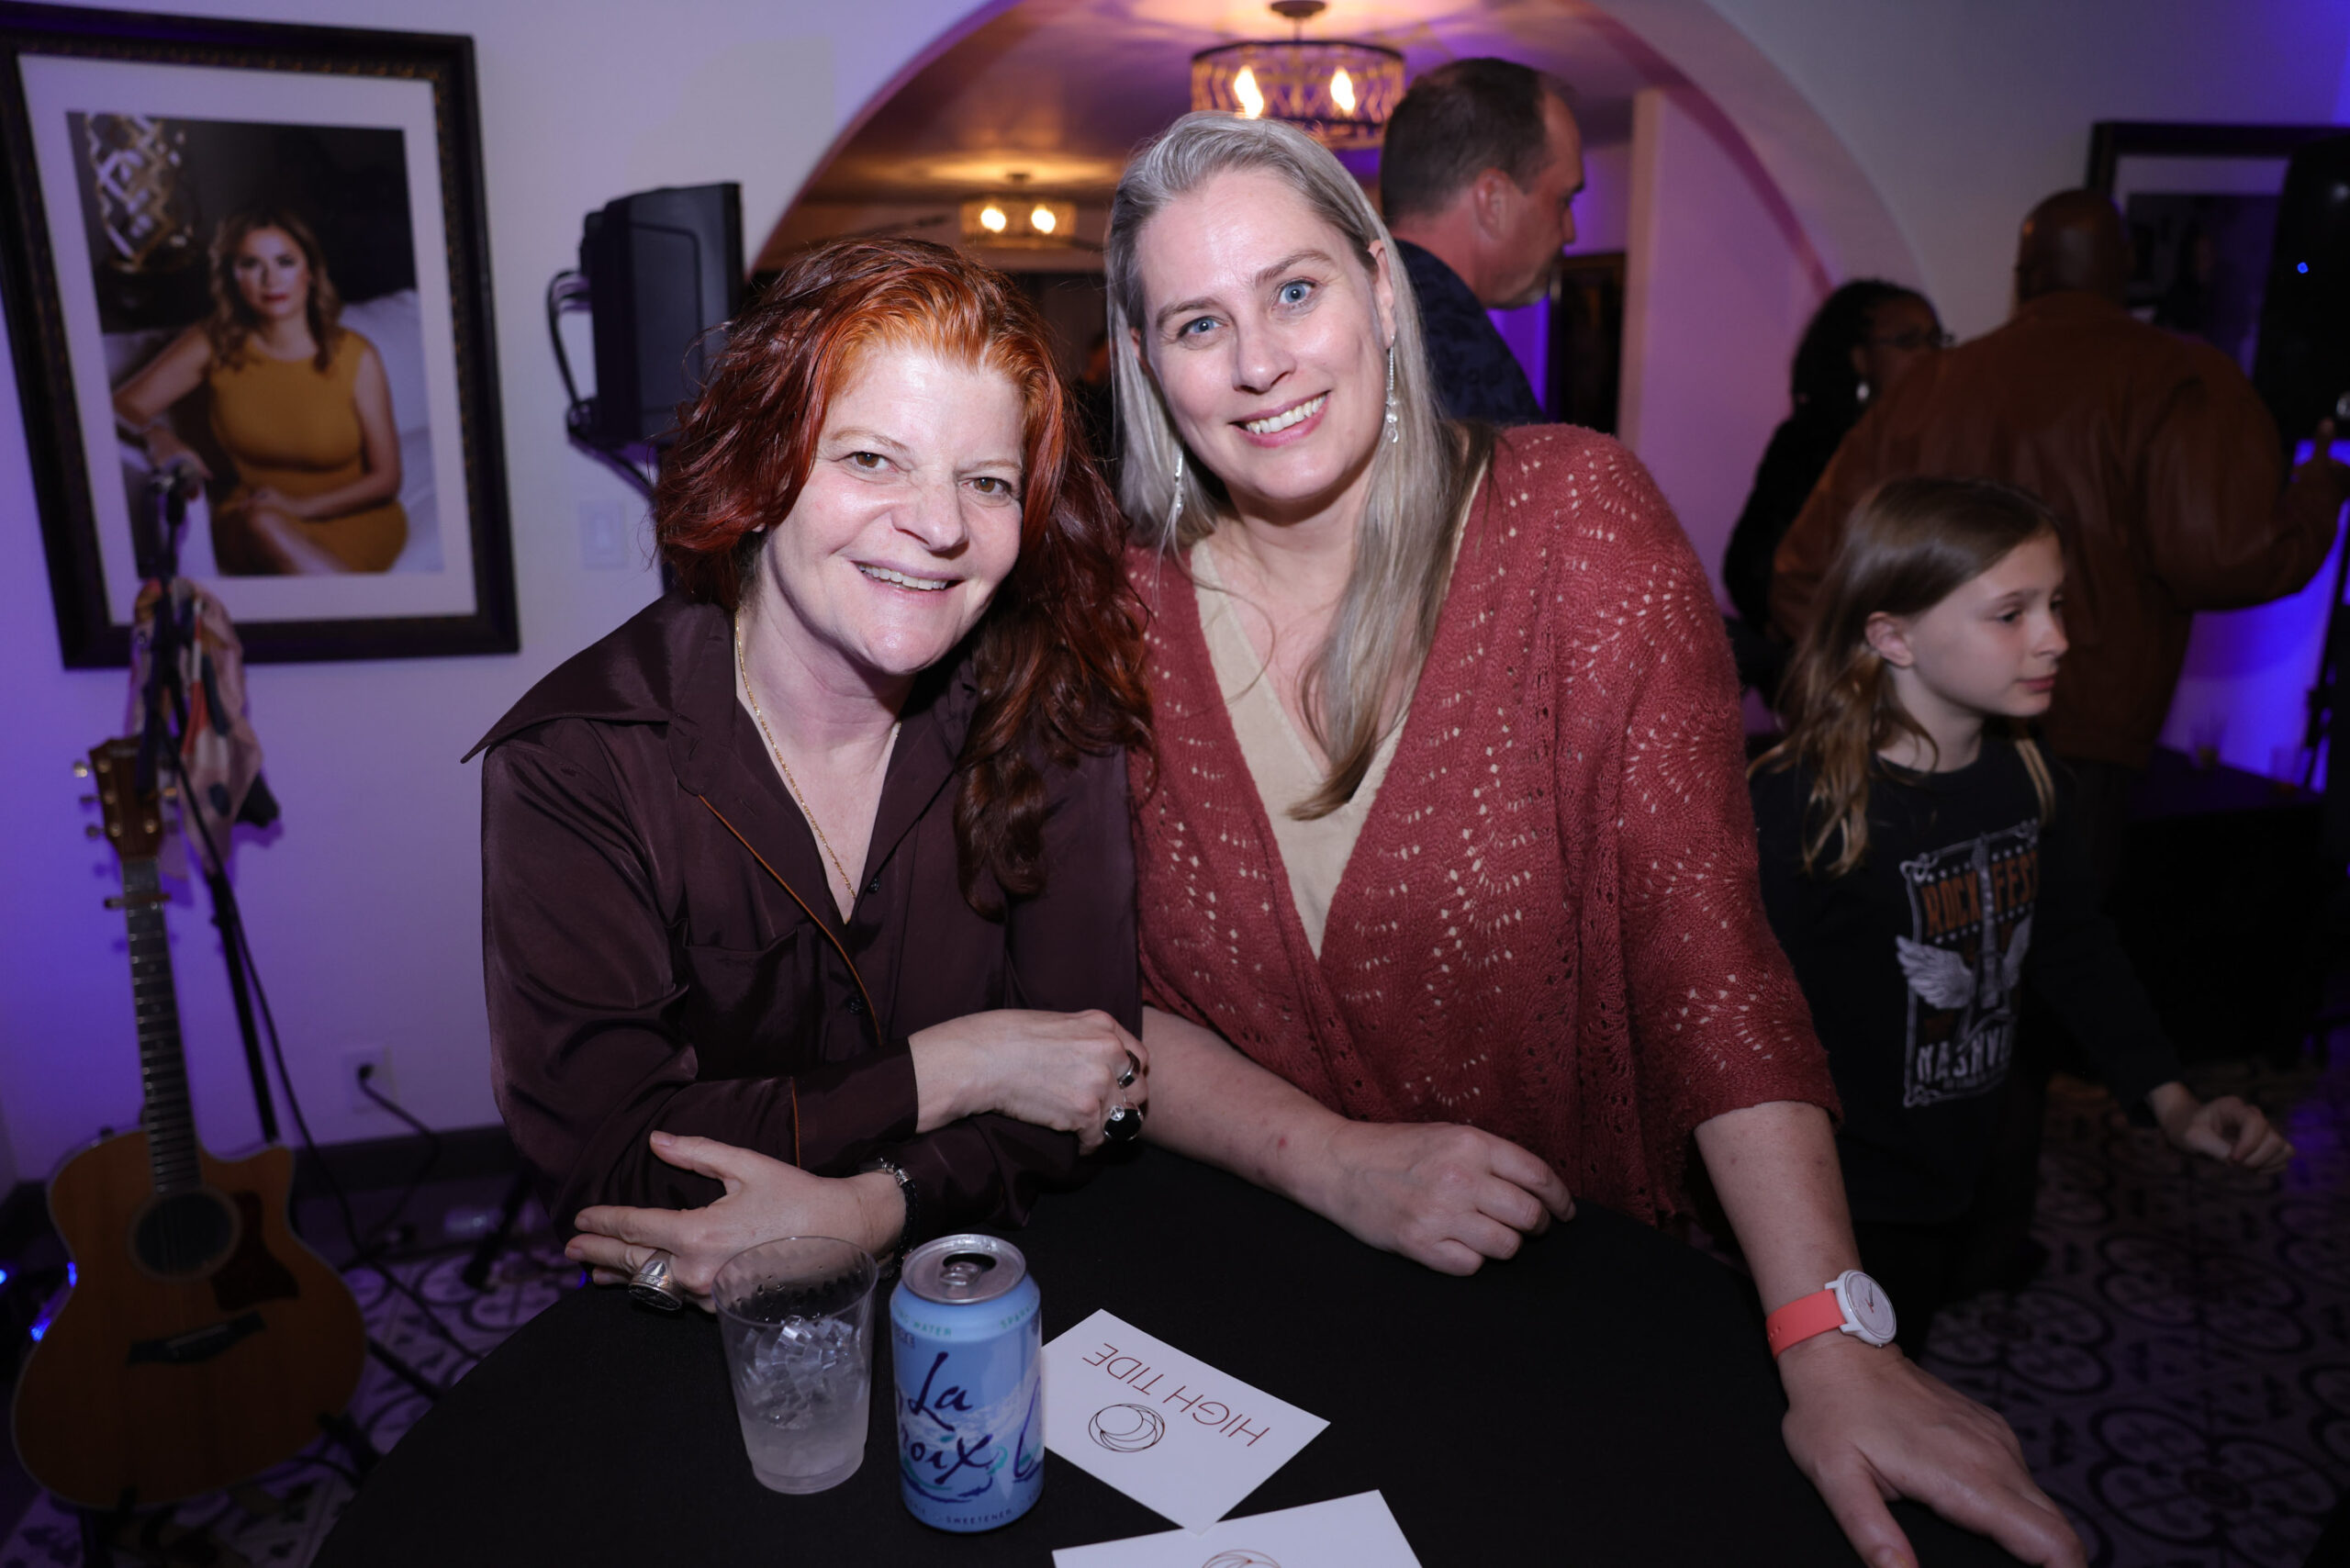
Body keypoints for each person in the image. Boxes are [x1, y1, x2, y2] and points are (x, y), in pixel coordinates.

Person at [1106, 111, 2084, 1568]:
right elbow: (1094, 993)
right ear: (1143, 362)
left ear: (1381, 288)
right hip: (1246, 1294)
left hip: (1546, 1303)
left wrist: (1828, 1329)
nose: (1259, 361)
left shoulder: (1575, 523)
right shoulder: (1113, 613)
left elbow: (1708, 958)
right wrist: (1331, 1162)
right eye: (1199, 323)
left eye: (1294, 290)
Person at [471, 238, 1154, 1306]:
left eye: (985, 482)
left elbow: (1087, 1080)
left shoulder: (1049, 715)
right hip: (690, 1324)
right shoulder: (582, 760)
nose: (939, 526)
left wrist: (872, 1207)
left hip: (1001, 1282)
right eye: (872, 460)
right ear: (761, 470)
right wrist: (955, 1067)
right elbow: (611, 1162)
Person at [1749, 477, 2293, 1356]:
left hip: (1953, 1171)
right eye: (2012, 614)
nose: (2056, 638)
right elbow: (1741, 1030)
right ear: (1893, 636)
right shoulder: (1803, 807)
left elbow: (2076, 949)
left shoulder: (2023, 774)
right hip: (1834, 1200)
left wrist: (2172, 1101)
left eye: (2057, 604)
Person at [1771, 189, 2350, 882]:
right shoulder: (2176, 377)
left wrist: (1890, 698)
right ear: (2125, 265)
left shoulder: (1930, 386)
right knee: (2044, 928)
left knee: (1935, 925)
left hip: (1928, 740)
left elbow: (1805, 574)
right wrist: (2320, 489)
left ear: (2024, 275)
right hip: (2087, 740)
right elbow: (2225, 557)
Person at [112, 208, 408, 575]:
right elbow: (118, 405)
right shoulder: (213, 341)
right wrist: (156, 435)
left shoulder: (356, 356)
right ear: (233, 277)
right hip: (252, 517)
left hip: (355, 517)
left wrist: (299, 508)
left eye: (285, 261)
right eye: (251, 264)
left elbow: (386, 480)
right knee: (263, 524)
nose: (271, 279)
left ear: (310, 272)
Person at [1720, 280, 1944, 693]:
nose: (1928, 354)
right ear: (1860, 358)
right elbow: (1751, 566)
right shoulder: (1811, 442)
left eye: (1936, 339)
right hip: (1839, 669)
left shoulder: (1950, 437)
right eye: (1907, 341)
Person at [1377, 58, 1580, 426]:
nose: (1570, 231)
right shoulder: (1468, 366)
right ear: (1493, 201)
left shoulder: (1349, 317)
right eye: (1563, 200)